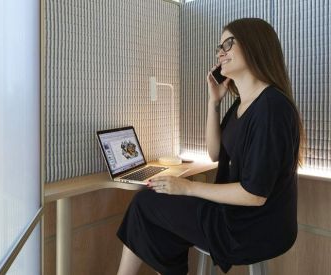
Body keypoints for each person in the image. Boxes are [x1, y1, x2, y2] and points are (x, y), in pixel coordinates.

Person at [116, 18, 304, 275]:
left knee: (146, 204)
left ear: (255, 45)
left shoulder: (272, 107)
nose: (220, 52)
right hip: (234, 214)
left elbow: (255, 194)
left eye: (228, 43)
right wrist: (213, 103)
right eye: (219, 47)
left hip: (253, 226)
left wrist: (187, 187)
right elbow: (215, 153)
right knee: (153, 209)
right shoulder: (242, 105)